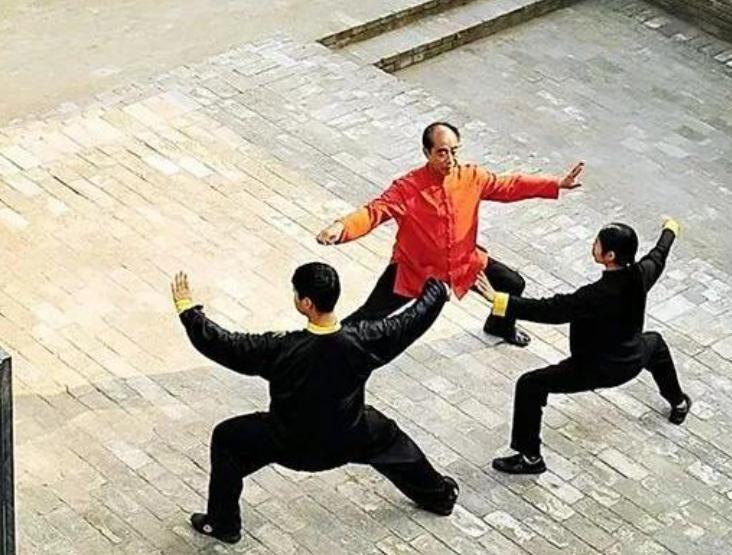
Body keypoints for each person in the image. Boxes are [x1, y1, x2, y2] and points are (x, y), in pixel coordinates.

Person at [171, 263, 458, 544]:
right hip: (348, 437)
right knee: (389, 438)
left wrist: (188, 311)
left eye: (296, 293)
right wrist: (438, 289)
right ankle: (440, 496)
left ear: (306, 303)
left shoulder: (280, 348)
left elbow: (225, 345)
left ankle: (223, 523)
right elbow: (411, 321)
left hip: (287, 443)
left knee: (226, 438)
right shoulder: (364, 340)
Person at [316, 121, 584, 347]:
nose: (451, 160)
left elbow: (508, 185)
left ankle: (499, 326)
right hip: (416, 270)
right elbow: (375, 211)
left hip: (464, 263)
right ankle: (325, 346)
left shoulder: (471, 177)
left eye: (454, 151)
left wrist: (556, 184)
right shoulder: (407, 188)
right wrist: (342, 227)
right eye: (442, 153)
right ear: (427, 152)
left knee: (512, 284)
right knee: (369, 316)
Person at [474, 219, 691, 475]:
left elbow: (549, 310)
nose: (593, 244)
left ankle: (530, 458)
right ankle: (679, 402)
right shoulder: (641, 275)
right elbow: (659, 255)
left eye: (597, 243)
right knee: (656, 343)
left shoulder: (594, 295)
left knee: (530, 385)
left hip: (593, 368)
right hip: (632, 357)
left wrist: (499, 300)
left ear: (609, 256)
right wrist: (670, 229)